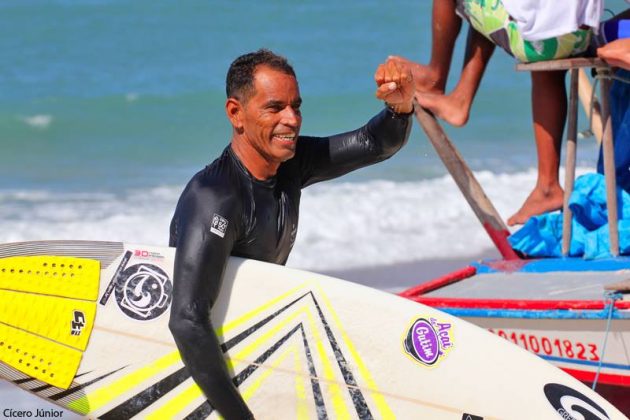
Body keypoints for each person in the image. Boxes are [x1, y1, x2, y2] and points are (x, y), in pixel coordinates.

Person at [168, 49, 414, 419]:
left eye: (296, 106)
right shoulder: (215, 199)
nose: (292, 119)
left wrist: (400, 107)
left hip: (257, 351)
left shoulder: (290, 164)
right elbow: (187, 319)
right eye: (275, 107)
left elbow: (374, 143)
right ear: (236, 113)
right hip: (209, 375)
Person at [391, 0, 602, 226]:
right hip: (579, 34)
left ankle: (435, 76)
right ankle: (547, 186)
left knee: (494, 10)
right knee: (497, 11)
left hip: (540, 38)